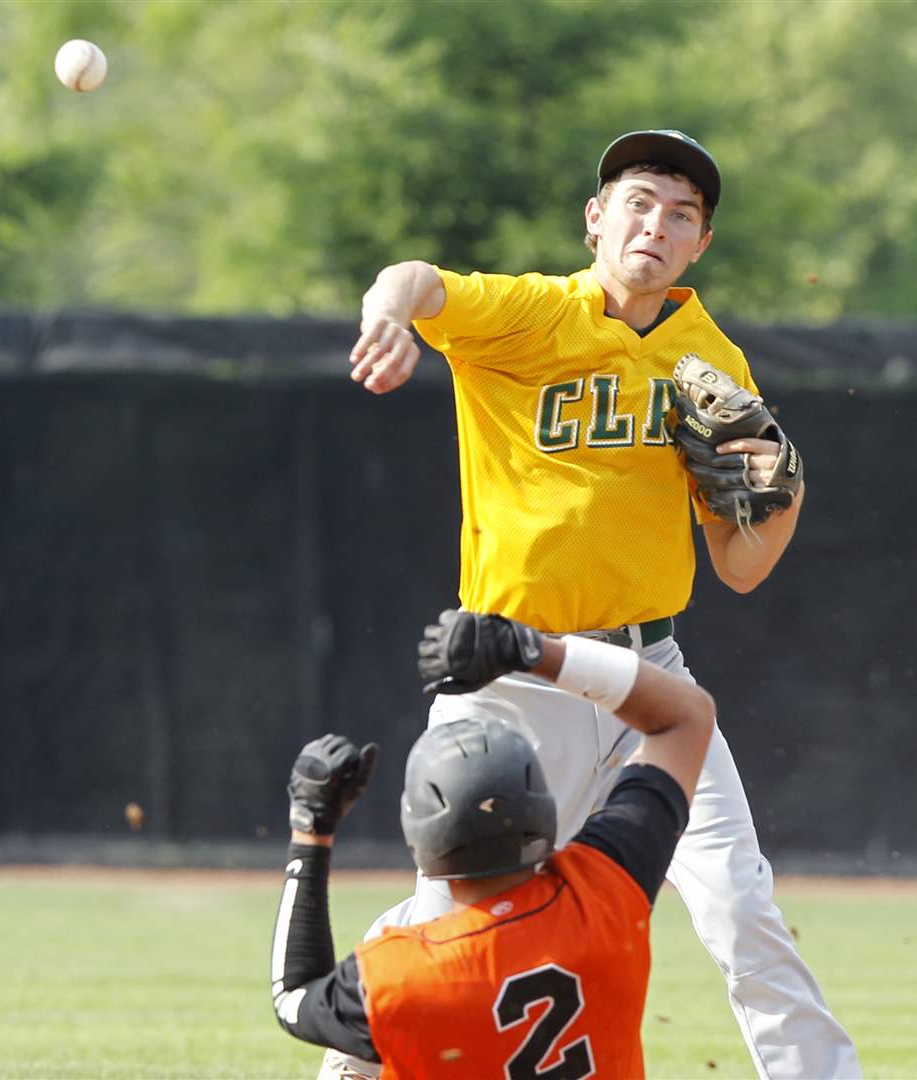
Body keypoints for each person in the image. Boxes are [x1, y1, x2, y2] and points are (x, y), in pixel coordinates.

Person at [340, 129, 860, 1078]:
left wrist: (788, 488)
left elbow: (741, 564)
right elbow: (419, 279)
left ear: (700, 245)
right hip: (508, 672)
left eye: (681, 214)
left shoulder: (714, 361)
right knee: (447, 918)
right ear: (596, 220)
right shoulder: (532, 315)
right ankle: (353, 1060)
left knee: (741, 909)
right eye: (638, 202)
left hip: (645, 680)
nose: (656, 225)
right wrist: (386, 308)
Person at [271, 608, 716, 1079]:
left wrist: (311, 831)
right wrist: (535, 651)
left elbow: (293, 997)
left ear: (420, 839)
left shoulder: (401, 975)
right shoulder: (603, 896)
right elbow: (686, 715)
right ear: (543, 814)